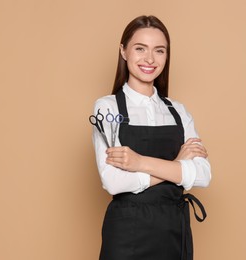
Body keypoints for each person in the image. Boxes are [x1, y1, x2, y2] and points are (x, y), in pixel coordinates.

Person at [92, 15, 211, 260]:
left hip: (174, 232)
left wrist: (139, 163)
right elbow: (114, 182)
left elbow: (203, 175)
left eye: (159, 50)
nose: (150, 59)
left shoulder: (178, 111)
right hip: (127, 235)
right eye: (140, 48)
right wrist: (178, 163)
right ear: (123, 51)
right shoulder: (107, 108)